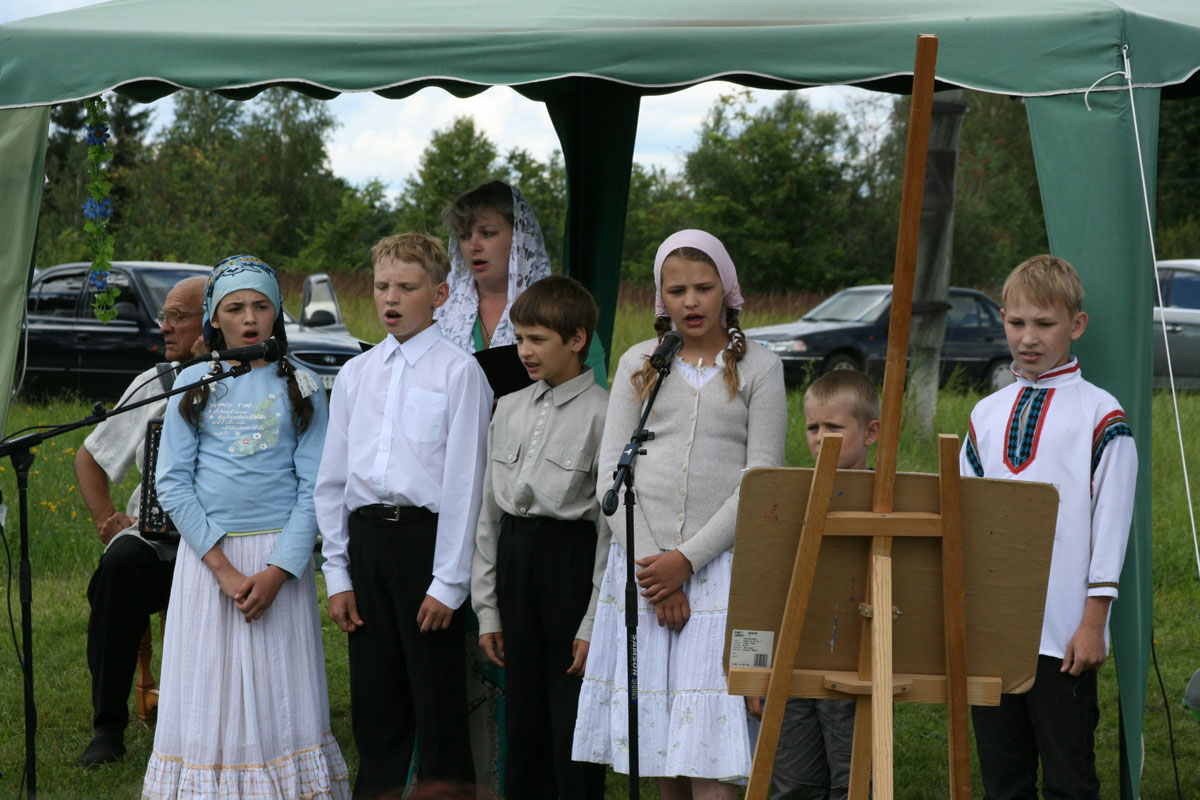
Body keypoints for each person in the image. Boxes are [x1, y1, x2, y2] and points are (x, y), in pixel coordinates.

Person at [572, 229, 788, 797]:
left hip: (722, 573)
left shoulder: (762, 369)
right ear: (659, 297)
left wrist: (686, 562)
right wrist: (657, 572)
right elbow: (611, 480)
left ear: (727, 290)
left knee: (711, 753)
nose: (690, 301)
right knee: (664, 750)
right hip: (645, 574)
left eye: (702, 287)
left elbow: (762, 484)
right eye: (676, 290)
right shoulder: (640, 363)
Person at [143, 255, 349, 798]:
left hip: (277, 555)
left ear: (278, 312)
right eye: (235, 308)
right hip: (211, 560)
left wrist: (280, 570)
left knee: (278, 679)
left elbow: (315, 487)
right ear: (214, 319)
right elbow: (173, 482)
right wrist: (223, 569)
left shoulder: (302, 384)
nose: (250, 317)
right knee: (210, 680)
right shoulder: (192, 381)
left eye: (261, 306)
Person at [315, 233, 492, 797]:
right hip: (366, 545)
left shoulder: (460, 372)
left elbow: (467, 483)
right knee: (375, 694)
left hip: (426, 545)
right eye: (382, 286)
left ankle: (443, 789)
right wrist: (337, 573)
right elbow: (333, 480)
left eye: (407, 288)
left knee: (436, 695)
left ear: (439, 294)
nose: (391, 298)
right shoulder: (356, 373)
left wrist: (448, 582)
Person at [960, 254, 1136, 799]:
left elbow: (1112, 525)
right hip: (993, 632)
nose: (1028, 338)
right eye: (1017, 323)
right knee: (1003, 778)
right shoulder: (985, 414)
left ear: (1075, 326)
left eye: (1045, 323)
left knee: (1069, 779)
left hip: (1064, 635)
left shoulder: (1102, 416)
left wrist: (1092, 623)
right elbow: (967, 516)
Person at [470, 275, 609, 799]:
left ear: (576, 340)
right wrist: (488, 608)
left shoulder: (604, 412)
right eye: (519, 338)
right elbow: (488, 515)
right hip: (515, 562)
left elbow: (609, 532)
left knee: (570, 711)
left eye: (537, 339)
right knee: (522, 713)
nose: (524, 351)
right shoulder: (508, 406)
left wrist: (593, 621)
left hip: (569, 563)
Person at [73, 275, 206, 768]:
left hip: (227, 549)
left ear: (210, 320)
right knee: (120, 566)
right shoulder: (157, 382)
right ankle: (108, 727)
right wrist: (108, 518)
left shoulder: (252, 377)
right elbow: (89, 457)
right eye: (164, 316)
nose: (165, 327)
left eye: (178, 317)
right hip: (162, 544)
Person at [757, 369, 880, 800]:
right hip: (792, 666)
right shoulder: (785, 497)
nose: (820, 437)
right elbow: (765, 589)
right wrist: (758, 670)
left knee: (852, 782)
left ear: (870, 433)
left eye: (834, 427)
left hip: (855, 668)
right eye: (813, 427)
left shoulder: (888, 501)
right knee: (791, 783)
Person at [439, 179, 608, 385]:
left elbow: (592, 392)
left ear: (520, 236)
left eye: (487, 233)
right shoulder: (441, 309)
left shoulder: (560, 305)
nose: (473, 246)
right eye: (464, 236)